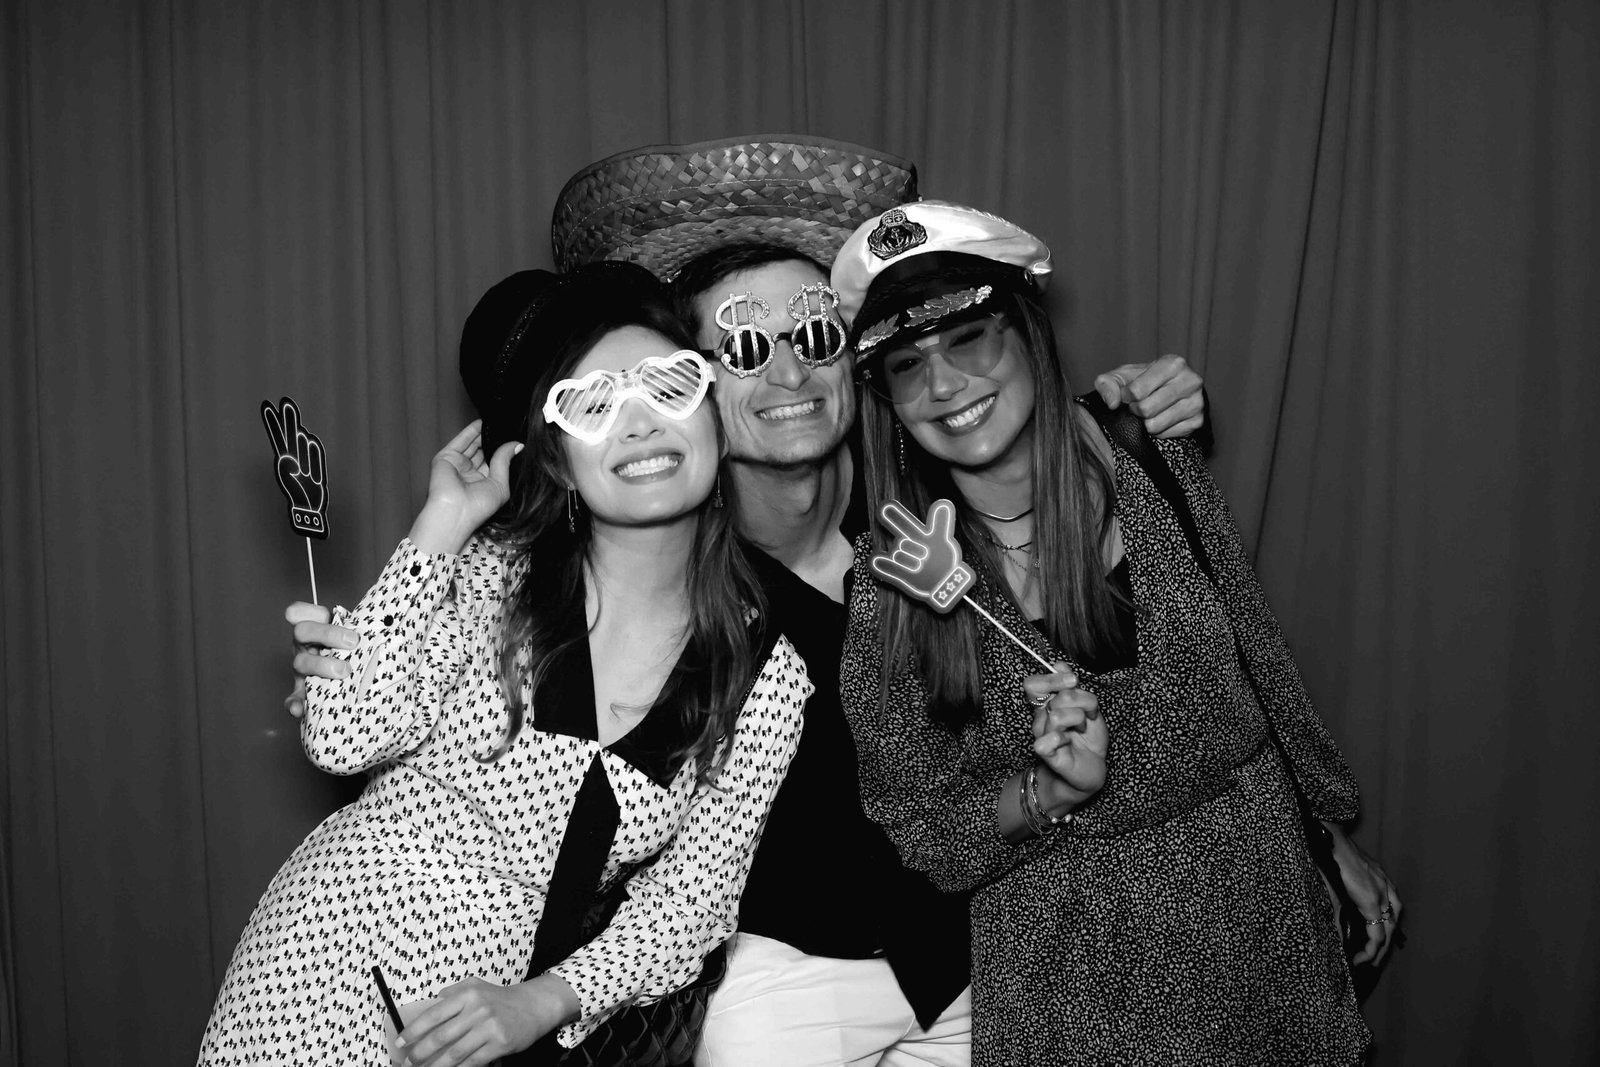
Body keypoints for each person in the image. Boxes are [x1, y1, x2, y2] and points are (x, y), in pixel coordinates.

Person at [286, 136, 1209, 1067]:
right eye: (740, 349)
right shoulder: (658, 577)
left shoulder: (933, 507)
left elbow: (1038, 459)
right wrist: (381, 656)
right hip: (785, 977)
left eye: (815, 337)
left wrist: (1126, 416)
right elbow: (460, 694)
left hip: (980, 960)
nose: (787, 375)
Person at [831, 200, 1402, 1066]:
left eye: (969, 339)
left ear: (1026, 331)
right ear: (887, 399)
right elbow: (920, 833)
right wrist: (1047, 792)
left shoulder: (1147, 455)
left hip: (1265, 925)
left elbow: (1256, 660)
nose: (943, 385)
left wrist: (1326, 835)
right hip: (1074, 978)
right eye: (906, 365)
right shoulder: (892, 587)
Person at [206, 262, 807, 1066]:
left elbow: (687, 905)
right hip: (323, 965)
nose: (636, 423)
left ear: (715, 415)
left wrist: (541, 1002)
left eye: (668, 385)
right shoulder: (493, 575)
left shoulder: (764, 675)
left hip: (492, 1013)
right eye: (592, 404)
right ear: (557, 457)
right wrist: (442, 523)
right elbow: (341, 737)